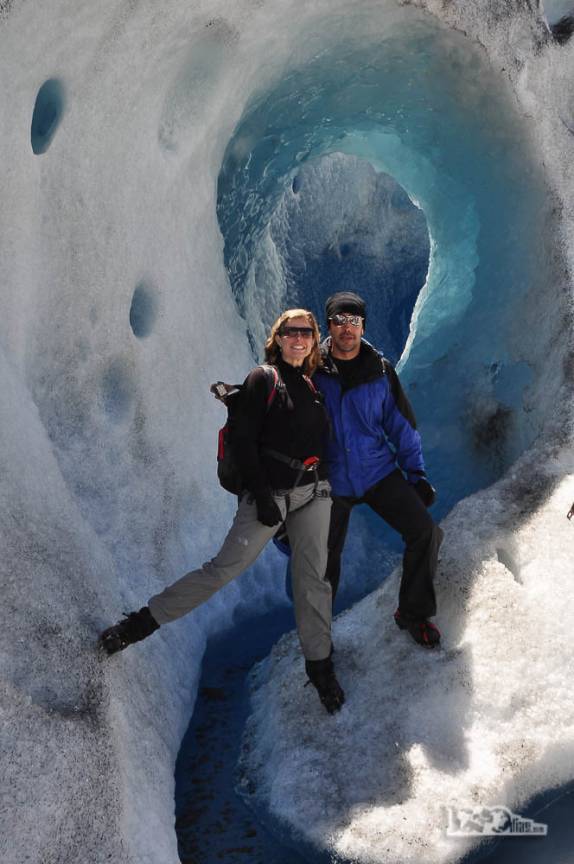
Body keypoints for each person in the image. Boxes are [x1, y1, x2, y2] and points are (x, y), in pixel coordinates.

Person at [99, 309, 345, 714]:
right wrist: (263, 496)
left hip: (314, 494)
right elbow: (245, 442)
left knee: (312, 581)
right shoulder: (264, 378)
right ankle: (138, 625)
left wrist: (328, 481)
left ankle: (320, 669)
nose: (299, 338)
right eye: (291, 332)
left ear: (314, 339)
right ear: (278, 337)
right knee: (223, 569)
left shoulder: (311, 385)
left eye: (306, 332)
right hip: (273, 495)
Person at [315, 291, 443, 648]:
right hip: (332, 479)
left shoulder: (381, 372)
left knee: (425, 532)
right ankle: (317, 635)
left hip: (376, 472)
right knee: (322, 562)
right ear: (329, 325)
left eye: (353, 321)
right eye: (340, 320)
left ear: (363, 326)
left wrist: (415, 474)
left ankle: (413, 613)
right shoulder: (313, 369)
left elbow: (401, 425)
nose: (347, 328)